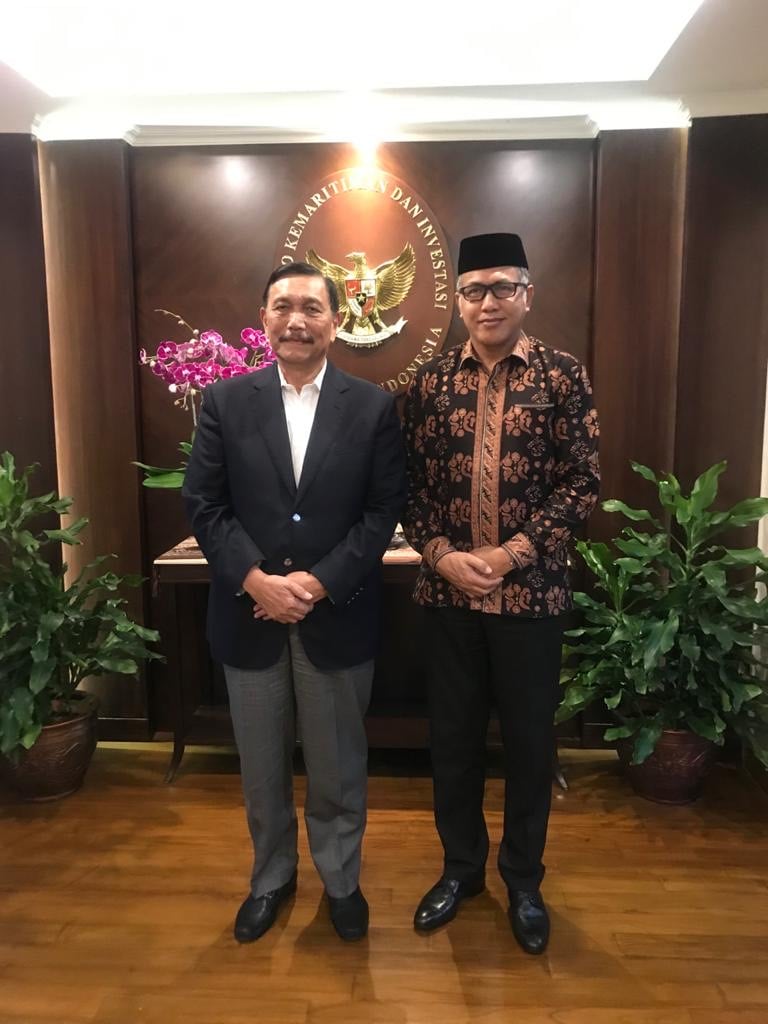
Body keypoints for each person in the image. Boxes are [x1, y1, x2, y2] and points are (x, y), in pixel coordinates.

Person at [183, 261, 406, 943]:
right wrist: (256, 579)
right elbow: (204, 503)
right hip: (248, 614)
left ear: (336, 322)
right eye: (283, 306)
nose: (296, 320)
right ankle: (271, 878)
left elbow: (383, 511)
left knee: (338, 765)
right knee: (261, 767)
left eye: (312, 307)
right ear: (264, 320)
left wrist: (315, 583)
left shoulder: (372, 407)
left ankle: (341, 882)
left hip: (335, 613)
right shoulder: (225, 402)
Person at [402, 232, 600, 954]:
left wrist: (510, 554)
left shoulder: (562, 375)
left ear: (527, 294)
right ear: (457, 300)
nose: (488, 302)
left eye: (503, 288)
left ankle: (523, 879)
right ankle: (461, 871)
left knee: (527, 744)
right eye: (474, 290)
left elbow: (581, 483)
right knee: (452, 743)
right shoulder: (428, 384)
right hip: (447, 600)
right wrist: (443, 556)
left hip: (532, 599)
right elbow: (408, 486)